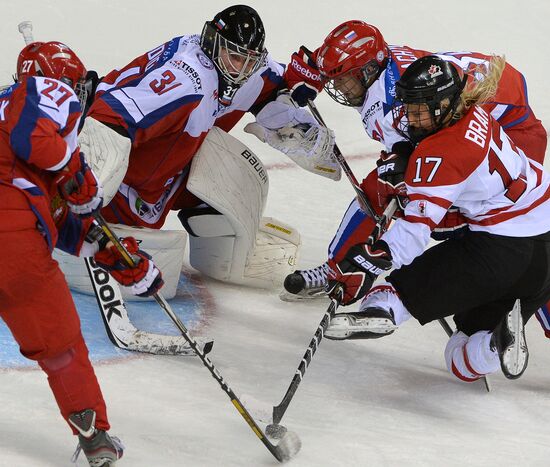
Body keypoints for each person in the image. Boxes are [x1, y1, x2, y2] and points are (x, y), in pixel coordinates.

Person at [278, 21, 550, 337]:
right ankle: (338, 268)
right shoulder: (381, 64)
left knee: (500, 230)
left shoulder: (395, 108)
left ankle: (531, 299)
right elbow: (324, 62)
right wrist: (309, 76)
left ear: (368, 71)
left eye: (344, 80)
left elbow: (408, 176)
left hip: (514, 132)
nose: (339, 87)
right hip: (496, 106)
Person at [74, 4, 338, 294]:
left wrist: (302, 83)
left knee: (233, 168)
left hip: (170, 169)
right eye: (236, 58)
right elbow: (107, 121)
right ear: (213, 43)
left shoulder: (243, 68)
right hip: (124, 184)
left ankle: (219, 243)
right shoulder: (188, 79)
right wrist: (82, 187)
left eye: (248, 61)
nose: (242, 69)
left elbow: (273, 81)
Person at [322, 55, 550, 381]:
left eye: (418, 109)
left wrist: (364, 263)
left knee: (407, 286)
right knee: (459, 355)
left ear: (443, 104)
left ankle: (381, 310)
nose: (410, 117)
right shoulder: (477, 114)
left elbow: (415, 234)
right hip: (544, 249)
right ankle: (494, 345)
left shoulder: (441, 152)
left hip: (503, 250)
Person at [1, 41, 163, 466]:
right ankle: (94, 435)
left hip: (14, 229)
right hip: (10, 243)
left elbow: (50, 210)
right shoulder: (44, 96)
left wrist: (110, 251)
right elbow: (32, 136)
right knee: (60, 345)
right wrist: (74, 171)